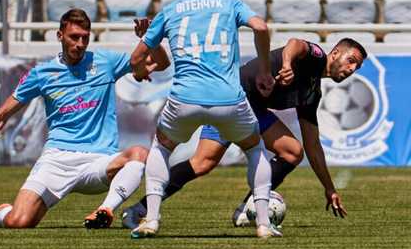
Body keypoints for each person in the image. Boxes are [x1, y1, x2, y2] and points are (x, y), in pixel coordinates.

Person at [0, 9, 170, 229]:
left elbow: (161, 64)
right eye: (74, 37)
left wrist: (149, 38)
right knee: (19, 221)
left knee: (140, 153)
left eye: (85, 38)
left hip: (99, 162)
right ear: (60, 36)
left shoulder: (105, 61)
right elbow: (3, 114)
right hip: (57, 160)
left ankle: (105, 210)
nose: (80, 44)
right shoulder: (42, 73)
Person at [122, 37, 366, 229]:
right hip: (232, 98)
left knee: (292, 152)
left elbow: (313, 145)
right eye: (351, 60)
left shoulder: (312, 94)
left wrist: (329, 188)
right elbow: (295, 44)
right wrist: (287, 64)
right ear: (334, 53)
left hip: (250, 107)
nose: (352, 68)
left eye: (357, 66)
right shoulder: (314, 57)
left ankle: (246, 208)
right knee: (203, 163)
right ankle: (140, 210)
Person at [129, 0, 280, 239]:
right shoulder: (229, 3)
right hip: (229, 99)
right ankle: (263, 222)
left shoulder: (170, 10)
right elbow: (261, 27)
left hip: (184, 99)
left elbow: (137, 58)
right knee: (254, 148)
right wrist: (263, 70)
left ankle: (152, 218)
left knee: (161, 147)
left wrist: (140, 72)